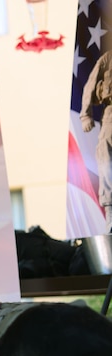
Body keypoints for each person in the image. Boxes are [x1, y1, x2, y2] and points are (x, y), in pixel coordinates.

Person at [80, 50, 112, 232]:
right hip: (110, 114)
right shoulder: (107, 59)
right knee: (106, 163)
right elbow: (90, 84)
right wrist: (85, 115)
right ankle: (111, 218)